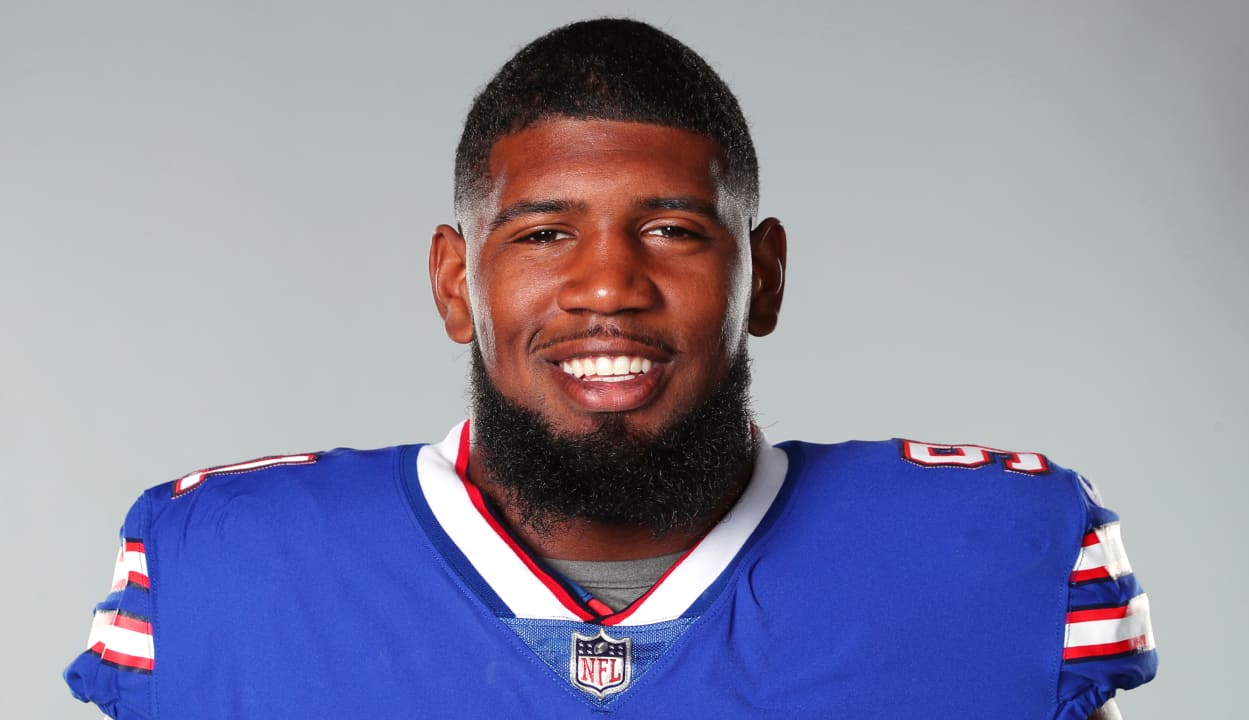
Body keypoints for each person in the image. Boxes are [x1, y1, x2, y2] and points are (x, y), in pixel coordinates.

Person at [64, 18, 1156, 719]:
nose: (607, 287)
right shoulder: (227, 564)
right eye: (542, 234)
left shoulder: (987, 554)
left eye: (673, 230)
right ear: (454, 283)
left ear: (761, 276)